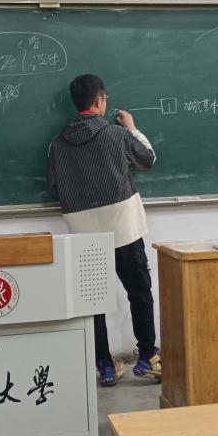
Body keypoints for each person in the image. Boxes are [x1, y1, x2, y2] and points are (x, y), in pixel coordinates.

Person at [47, 74, 161, 386]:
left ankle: (105, 366)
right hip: (123, 224)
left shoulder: (57, 145)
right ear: (99, 100)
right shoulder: (115, 134)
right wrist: (131, 128)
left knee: (93, 300)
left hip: (82, 230)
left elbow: (54, 187)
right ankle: (147, 357)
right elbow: (147, 159)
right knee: (139, 292)